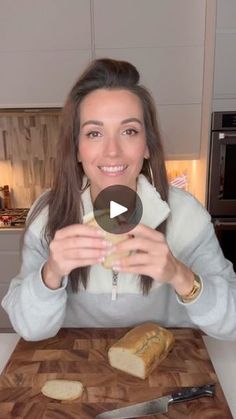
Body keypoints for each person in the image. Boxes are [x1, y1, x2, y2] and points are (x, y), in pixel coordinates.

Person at [2, 58, 236, 341]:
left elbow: (231, 324)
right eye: (94, 133)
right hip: (76, 366)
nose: (112, 151)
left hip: (171, 370)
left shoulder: (187, 215)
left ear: (147, 145)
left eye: (129, 131)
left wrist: (181, 276)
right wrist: (50, 274)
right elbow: (29, 330)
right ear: (76, 149)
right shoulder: (46, 215)